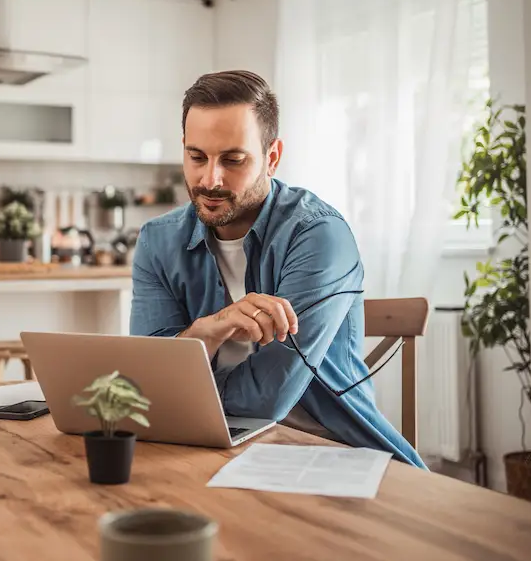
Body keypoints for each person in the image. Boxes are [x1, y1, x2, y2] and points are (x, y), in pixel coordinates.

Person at [130, 70, 426, 468]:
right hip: (209, 448)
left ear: (272, 157)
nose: (210, 179)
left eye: (233, 160)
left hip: (330, 452)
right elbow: (146, 388)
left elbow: (265, 400)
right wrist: (206, 330)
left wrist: (179, 382)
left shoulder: (318, 235)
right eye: (197, 157)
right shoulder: (158, 241)